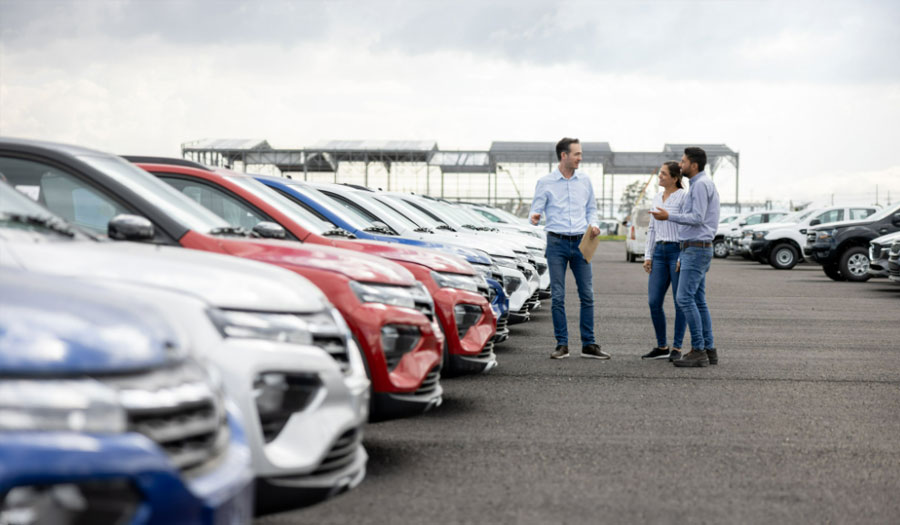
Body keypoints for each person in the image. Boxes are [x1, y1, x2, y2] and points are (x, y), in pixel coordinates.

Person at [529, 138, 610, 360]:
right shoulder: (545, 182)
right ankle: (562, 344)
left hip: (581, 243)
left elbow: (591, 209)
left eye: (580, 154)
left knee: (587, 295)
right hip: (556, 243)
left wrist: (594, 225)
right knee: (558, 296)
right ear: (564, 155)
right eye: (577, 154)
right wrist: (534, 217)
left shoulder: (584, 180)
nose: (580, 158)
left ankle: (589, 344)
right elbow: (534, 211)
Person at [650, 147, 720, 367]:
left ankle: (698, 350)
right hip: (697, 247)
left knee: (684, 299)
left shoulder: (699, 185)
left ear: (694, 165)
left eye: (683, 161)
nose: (680, 165)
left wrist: (668, 216)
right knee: (698, 300)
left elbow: (697, 217)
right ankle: (709, 349)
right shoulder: (702, 184)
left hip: (696, 248)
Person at [641, 162, 687, 361]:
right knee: (654, 302)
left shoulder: (684, 197)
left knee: (680, 302)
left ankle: (677, 348)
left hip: (677, 251)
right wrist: (648, 255)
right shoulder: (657, 197)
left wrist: (683, 256)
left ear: (675, 178)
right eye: (660, 173)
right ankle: (662, 347)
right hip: (659, 252)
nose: (659, 177)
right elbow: (651, 228)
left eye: (663, 174)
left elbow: (687, 226)